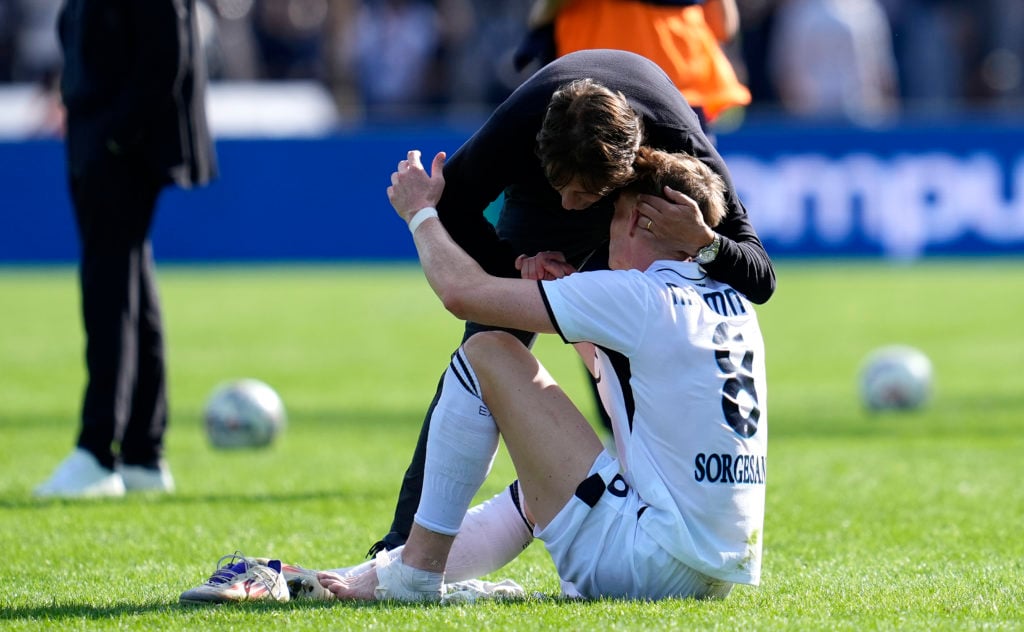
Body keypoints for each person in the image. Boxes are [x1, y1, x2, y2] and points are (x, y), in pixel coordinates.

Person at [314, 145, 767, 601]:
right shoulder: (732, 301)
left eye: (611, 216)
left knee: (489, 351)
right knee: (545, 483)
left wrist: (419, 214)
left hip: (646, 564)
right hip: (713, 576)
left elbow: (461, 293)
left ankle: (415, 576)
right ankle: (383, 573)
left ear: (636, 221)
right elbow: (625, 377)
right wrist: (560, 292)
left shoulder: (637, 295)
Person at [370, 48, 775, 558]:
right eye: (561, 188)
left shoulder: (679, 143)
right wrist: (517, 259)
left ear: (626, 170)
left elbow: (759, 277)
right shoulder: (522, 127)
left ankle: (649, 509)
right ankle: (402, 545)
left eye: (581, 197)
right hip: (534, 216)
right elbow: (451, 204)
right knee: (486, 347)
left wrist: (701, 239)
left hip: (634, 216)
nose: (569, 206)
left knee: (642, 347)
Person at [34, 0, 217, 498]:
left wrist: (117, 133)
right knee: (130, 283)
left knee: (108, 285)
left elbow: (167, 46)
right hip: (105, 135)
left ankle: (98, 450)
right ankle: (140, 451)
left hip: (116, 143)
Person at [517, 0, 751, 134]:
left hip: (594, 90)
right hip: (679, 90)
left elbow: (541, 15)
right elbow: (724, 25)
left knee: (592, 206)